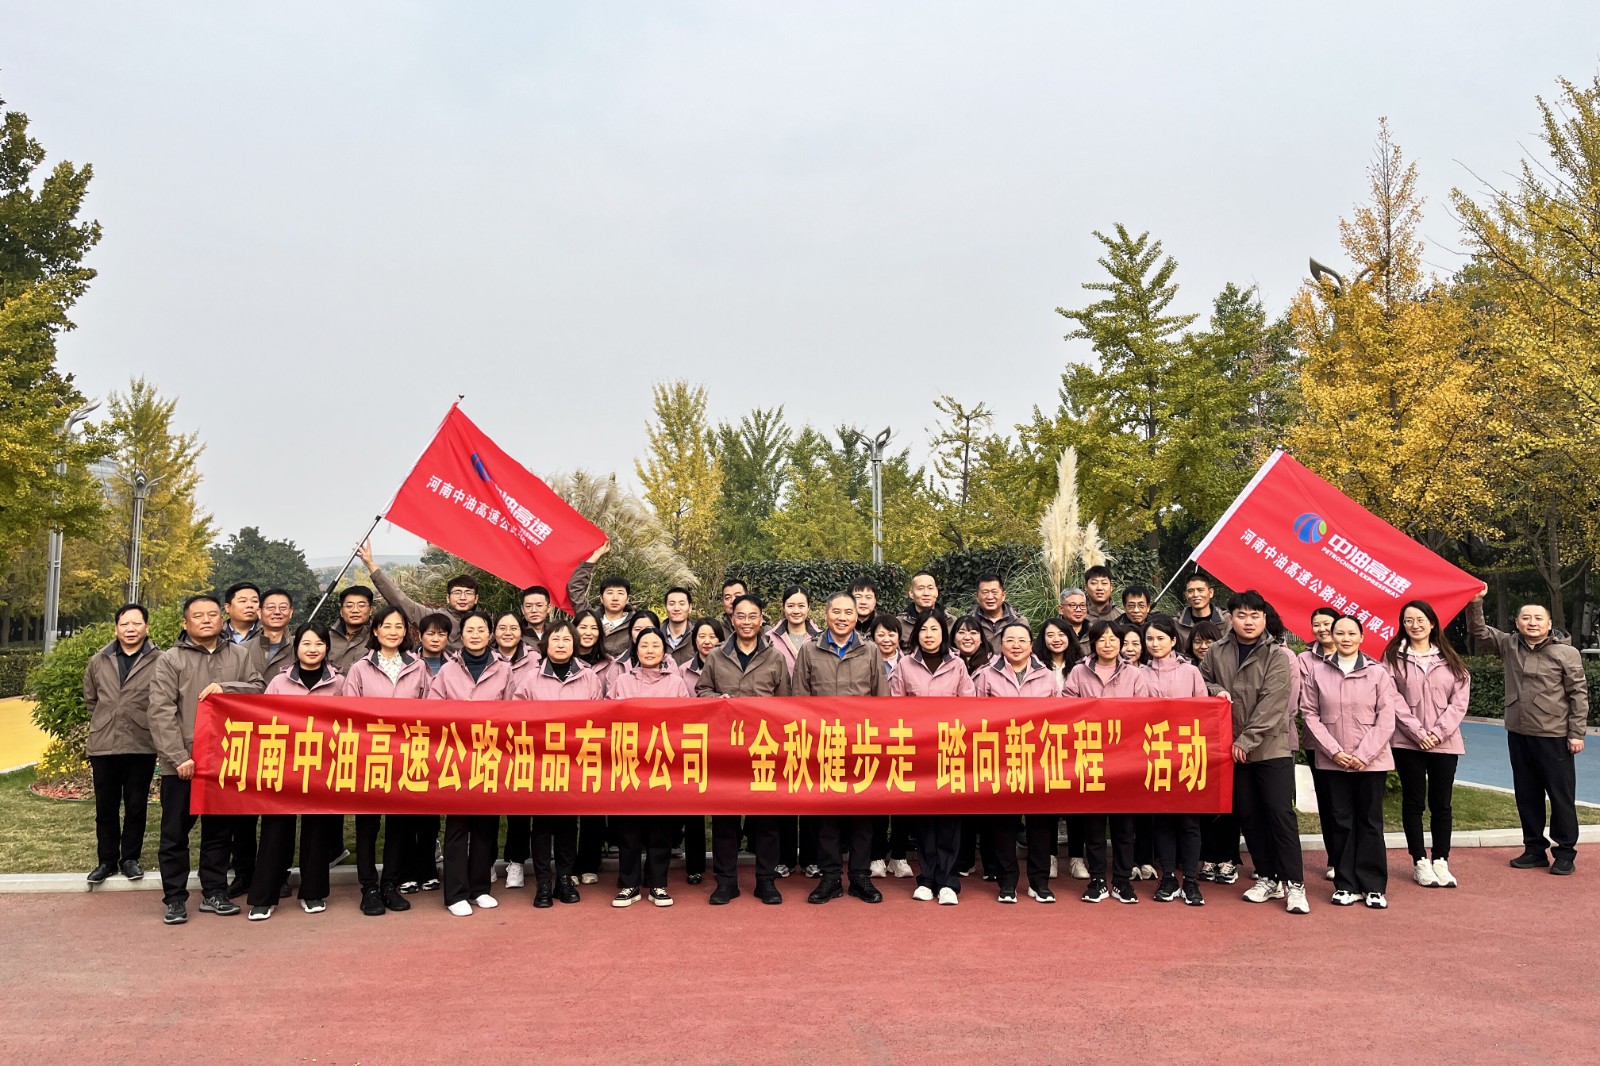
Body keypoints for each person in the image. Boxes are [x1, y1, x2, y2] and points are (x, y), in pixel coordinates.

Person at [147, 594, 264, 925]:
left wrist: (226, 688)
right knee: (175, 833)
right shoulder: (170, 660)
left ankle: (214, 891)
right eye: (198, 616)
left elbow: (258, 689)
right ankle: (174, 898)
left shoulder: (239, 654)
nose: (206, 620)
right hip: (183, 764)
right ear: (185, 623)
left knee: (219, 833)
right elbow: (160, 712)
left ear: (221, 619)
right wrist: (178, 757)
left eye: (212, 614)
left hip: (224, 760)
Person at [1199, 590, 1309, 915]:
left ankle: (1295, 884)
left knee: (1279, 815)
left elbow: (1273, 704)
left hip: (1269, 748)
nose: (1248, 622)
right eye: (1242, 615)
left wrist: (1245, 742)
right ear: (1230, 618)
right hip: (1232, 749)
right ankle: (1268, 877)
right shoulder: (1217, 651)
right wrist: (1216, 690)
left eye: (1255, 616)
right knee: (1248, 815)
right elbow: (1201, 680)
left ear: (1264, 618)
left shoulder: (1277, 655)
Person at [1467, 589, 1587, 875]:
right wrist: (1476, 602)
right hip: (1519, 733)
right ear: (1517, 622)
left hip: (1555, 735)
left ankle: (1565, 852)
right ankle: (1534, 849)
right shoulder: (1509, 645)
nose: (1532, 622)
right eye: (1526, 617)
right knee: (1526, 794)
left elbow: (1578, 693)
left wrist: (1576, 732)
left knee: (1560, 796)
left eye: (1538, 618)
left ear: (1549, 624)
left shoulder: (1566, 652)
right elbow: (1479, 631)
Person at [793, 591, 887, 904]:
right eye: (837, 612)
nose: (843, 617)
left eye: (849, 612)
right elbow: (799, 699)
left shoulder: (870, 650)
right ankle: (830, 877)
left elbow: (882, 699)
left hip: (862, 744)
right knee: (827, 816)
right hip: (823, 745)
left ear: (856, 616)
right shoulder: (810, 650)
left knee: (863, 817)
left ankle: (860, 877)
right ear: (826, 614)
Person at [1300, 615, 1401, 908]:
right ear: (1332, 636)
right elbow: (1310, 714)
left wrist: (1363, 755)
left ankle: (1373, 885)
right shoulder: (1318, 672)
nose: (1345, 638)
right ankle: (1346, 884)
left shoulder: (1378, 673)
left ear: (1361, 637)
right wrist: (1334, 752)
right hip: (1333, 761)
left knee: (1370, 822)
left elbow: (1386, 718)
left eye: (1351, 633)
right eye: (1340, 633)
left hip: (1371, 762)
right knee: (1340, 822)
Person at [697, 595, 792, 905]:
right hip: (725, 748)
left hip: (764, 747)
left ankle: (766, 880)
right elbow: (702, 691)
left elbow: (786, 702)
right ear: (732, 619)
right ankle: (726, 881)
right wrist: (716, 700)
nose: (747, 622)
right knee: (725, 819)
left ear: (761, 619)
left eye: (753, 616)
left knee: (766, 819)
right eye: (741, 616)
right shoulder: (716, 656)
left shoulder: (775, 657)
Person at [246, 623, 343, 919]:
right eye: (306, 643)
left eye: (319, 644)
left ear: (327, 648)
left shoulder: (340, 683)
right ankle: (264, 896)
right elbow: (264, 719)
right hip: (284, 765)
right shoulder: (279, 681)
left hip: (323, 766)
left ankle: (313, 893)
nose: (313, 649)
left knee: (317, 831)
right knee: (275, 830)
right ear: (296, 647)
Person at [339, 605, 432, 914]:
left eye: (398, 626)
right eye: (387, 626)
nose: (393, 631)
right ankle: (368, 887)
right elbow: (350, 713)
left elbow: (430, 709)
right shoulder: (360, 668)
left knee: (398, 825)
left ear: (406, 632)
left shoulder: (418, 667)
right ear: (376, 630)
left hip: (406, 756)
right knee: (367, 825)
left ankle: (390, 884)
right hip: (371, 755)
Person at [512, 620, 605, 907]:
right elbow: (516, 717)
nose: (561, 644)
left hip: (575, 761)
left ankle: (564, 878)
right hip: (540, 762)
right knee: (541, 823)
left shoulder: (589, 678)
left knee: (567, 822)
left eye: (566, 639)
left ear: (574, 644)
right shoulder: (531, 679)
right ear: (546, 644)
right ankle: (542, 882)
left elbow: (599, 718)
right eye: (555, 639)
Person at [426, 610, 512, 916]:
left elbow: (513, 711)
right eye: (470, 630)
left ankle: (480, 889)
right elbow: (433, 709)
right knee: (458, 826)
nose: (475, 635)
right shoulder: (447, 671)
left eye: (481, 630)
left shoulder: (504, 669)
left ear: (490, 635)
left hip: (490, 755)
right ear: (460, 636)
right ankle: (455, 893)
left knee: (486, 826)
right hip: (456, 756)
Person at [605, 628, 695, 908]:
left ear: (664, 651)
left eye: (656, 645)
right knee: (628, 829)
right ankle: (629, 884)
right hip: (629, 762)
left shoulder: (676, 683)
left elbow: (686, 720)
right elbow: (606, 717)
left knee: (660, 828)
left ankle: (658, 884)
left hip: (662, 764)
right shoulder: (621, 681)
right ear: (636, 649)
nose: (650, 650)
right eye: (644, 645)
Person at [891, 609, 975, 905]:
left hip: (951, 749)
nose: (929, 635)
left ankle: (948, 881)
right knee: (924, 818)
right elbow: (895, 706)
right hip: (918, 751)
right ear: (916, 633)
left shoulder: (958, 665)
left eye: (935, 629)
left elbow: (969, 706)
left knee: (950, 817)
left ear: (944, 633)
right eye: (924, 629)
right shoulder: (904, 665)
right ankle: (927, 878)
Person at [1385, 600, 1471, 889]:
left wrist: (1437, 733)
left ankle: (1441, 860)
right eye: (1408, 620)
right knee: (1413, 802)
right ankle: (1420, 861)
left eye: (1421, 619)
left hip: (1445, 743)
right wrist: (1417, 732)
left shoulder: (1450, 659)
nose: (1415, 625)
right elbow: (1391, 697)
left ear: (1432, 623)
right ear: (1403, 625)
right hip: (1407, 742)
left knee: (1441, 803)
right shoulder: (1393, 658)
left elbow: (1459, 703)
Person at [1062, 620, 1149, 905]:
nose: (1108, 644)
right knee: (1094, 825)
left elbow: (1143, 713)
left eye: (1113, 639)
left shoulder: (1134, 674)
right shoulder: (1079, 671)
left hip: (1125, 759)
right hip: (1091, 758)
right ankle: (1098, 879)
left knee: (1124, 826)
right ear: (1093, 643)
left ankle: (1122, 881)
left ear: (1121, 643)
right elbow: (1066, 708)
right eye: (1102, 639)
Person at [973, 621, 1058, 904]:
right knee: (1003, 823)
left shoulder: (1047, 676)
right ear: (1001, 645)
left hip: (1039, 760)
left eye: (1022, 640)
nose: (1016, 645)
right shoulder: (986, 675)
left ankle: (1039, 882)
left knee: (1040, 824)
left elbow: (1059, 717)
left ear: (1032, 645)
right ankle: (1007, 881)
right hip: (1001, 759)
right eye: (1010, 640)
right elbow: (974, 716)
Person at [83, 604, 162, 885]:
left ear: (146, 627)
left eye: (136, 623)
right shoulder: (99, 660)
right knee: (105, 808)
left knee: (136, 806)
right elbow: (91, 699)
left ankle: (130, 859)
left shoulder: (160, 660)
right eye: (124, 624)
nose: (130, 629)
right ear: (116, 628)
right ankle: (106, 861)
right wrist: (108, 719)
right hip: (104, 744)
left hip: (141, 743)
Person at [1140, 616, 1208, 906]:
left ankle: (1190, 880)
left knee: (1189, 821)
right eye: (1150, 639)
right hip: (1154, 755)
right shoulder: (1139, 673)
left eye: (1160, 638)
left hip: (1187, 753)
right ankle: (1167, 877)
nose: (1155, 644)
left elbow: (1204, 712)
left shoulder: (1190, 672)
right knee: (1163, 820)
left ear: (1173, 641)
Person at [358, 540, 479, 648]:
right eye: (457, 592)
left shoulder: (484, 623)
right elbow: (401, 600)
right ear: (448, 597)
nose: (463, 597)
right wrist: (371, 565)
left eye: (468, 593)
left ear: (476, 598)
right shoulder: (434, 617)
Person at [1295, 607, 1341, 883]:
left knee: (1353, 805)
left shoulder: (1356, 657)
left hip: (1354, 743)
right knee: (1328, 802)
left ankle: (1357, 856)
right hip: (1318, 742)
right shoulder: (1304, 659)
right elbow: (1305, 701)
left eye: (1327, 624)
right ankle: (1335, 857)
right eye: (1317, 625)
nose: (1322, 629)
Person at [566, 542, 640, 658]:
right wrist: (595, 556)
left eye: (620, 593)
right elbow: (575, 587)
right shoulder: (589, 617)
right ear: (601, 598)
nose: (615, 598)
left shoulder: (636, 623)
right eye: (610, 593)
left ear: (627, 599)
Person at [970, 572, 1029, 653]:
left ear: (1003, 595)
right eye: (985, 592)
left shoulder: (1019, 622)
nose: (990, 597)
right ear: (977, 596)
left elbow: (1026, 652)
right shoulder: (969, 623)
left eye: (994, 592)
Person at [769, 585, 819, 677]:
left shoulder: (820, 638)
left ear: (808, 607)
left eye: (801, 606)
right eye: (790, 606)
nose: (796, 611)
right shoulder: (769, 639)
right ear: (783, 607)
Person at [896, 571, 955, 649]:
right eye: (920, 588)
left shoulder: (951, 621)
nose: (926, 593)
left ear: (936, 592)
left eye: (930, 588)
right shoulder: (899, 623)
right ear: (911, 593)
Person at [251, 588, 296, 683]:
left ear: (291, 612)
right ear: (259, 612)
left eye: (283, 607)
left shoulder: (300, 647)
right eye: (271, 607)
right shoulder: (243, 650)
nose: (277, 612)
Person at [327, 584, 375, 672]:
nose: (355, 610)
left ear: (371, 610)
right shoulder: (327, 638)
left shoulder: (378, 637)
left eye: (361, 605)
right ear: (341, 612)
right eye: (349, 606)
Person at [1176, 572, 1229, 648]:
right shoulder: (1177, 624)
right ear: (1186, 595)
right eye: (1190, 591)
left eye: (1200, 590)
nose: (1195, 595)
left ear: (1211, 593)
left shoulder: (1227, 621)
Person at [1034, 617, 1078, 693]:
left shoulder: (1080, 666)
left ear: (1069, 637)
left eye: (1061, 635)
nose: (1056, 640)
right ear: (1043, 639)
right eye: (1050, 636)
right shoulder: (1035, 665)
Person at [662, 587, 697, 665]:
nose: (677, 608)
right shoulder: (656, 634)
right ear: (665, 608)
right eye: (672, 604)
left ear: (690, 608)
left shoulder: (698, 635)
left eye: (682, 604)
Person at [1056, 588, 1091, 655]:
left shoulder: (1094, 631)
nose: (1078, 610)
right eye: (1073, 605)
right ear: (1061, 609)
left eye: (1082, 605)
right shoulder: (1051, 631)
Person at [416, 613, 453, 678]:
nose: (435, 639)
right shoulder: (407, 661)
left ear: (447, 638)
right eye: (430, 634)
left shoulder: (455, 662)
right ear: (420, 636)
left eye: (441, 635)